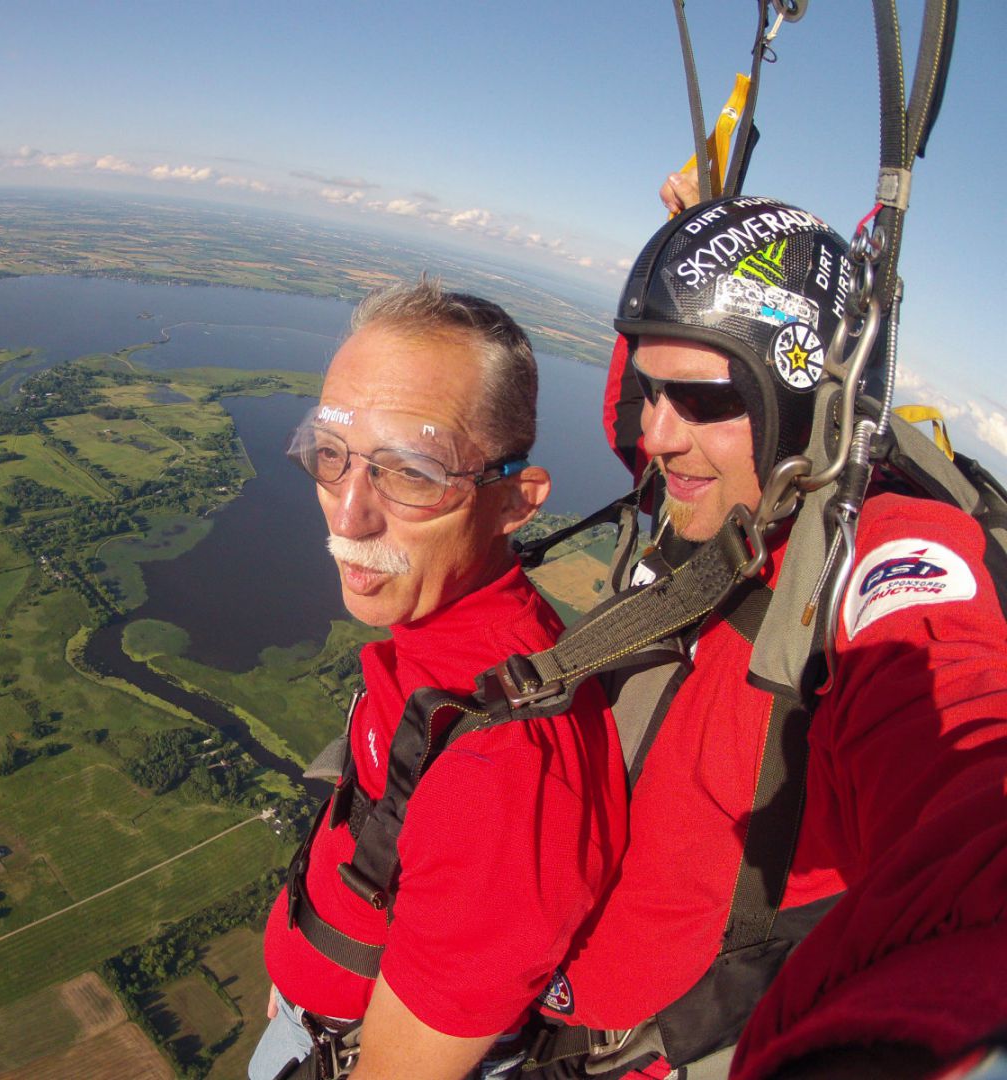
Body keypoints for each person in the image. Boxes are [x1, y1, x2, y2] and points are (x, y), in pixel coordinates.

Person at [532, 194, 1007, 1079]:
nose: (655, 433)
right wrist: (700, 235)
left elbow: (963, 751)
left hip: (649, 1048)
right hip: (535, 1003)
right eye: (649, 388)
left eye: (703, 397)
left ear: (804, 408)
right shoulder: (715, 486)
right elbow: (651, 413)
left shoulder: (887, 551)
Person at [249, 281, 628, 1080]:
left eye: (412, 473)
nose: (347, 515)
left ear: (515, 503)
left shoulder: (501, 765)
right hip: (309, 1016)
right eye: (330, 454)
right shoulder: (440, 640)